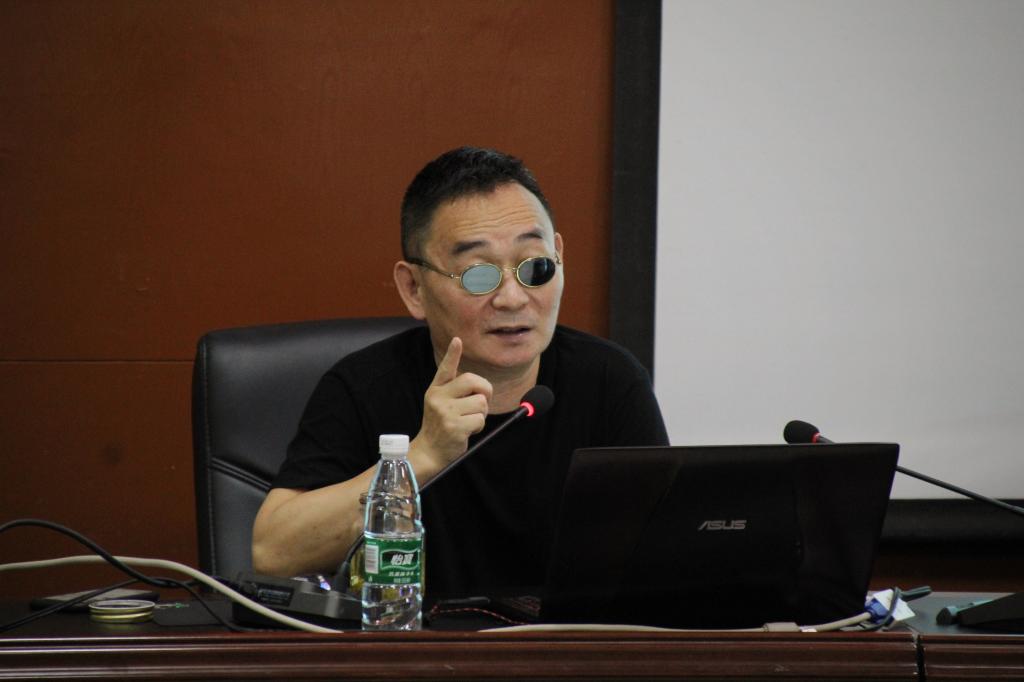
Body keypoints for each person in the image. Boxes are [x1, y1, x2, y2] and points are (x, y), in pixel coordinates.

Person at [252, 146, 668, 596]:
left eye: (536, 267)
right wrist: (424, 455)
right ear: (414, 288)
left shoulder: (609, 381)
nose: (513, 298)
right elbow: (274, 553)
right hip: (413, 638)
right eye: (478, 275)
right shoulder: (364, 386)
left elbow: (665, 549)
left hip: (565, 640)